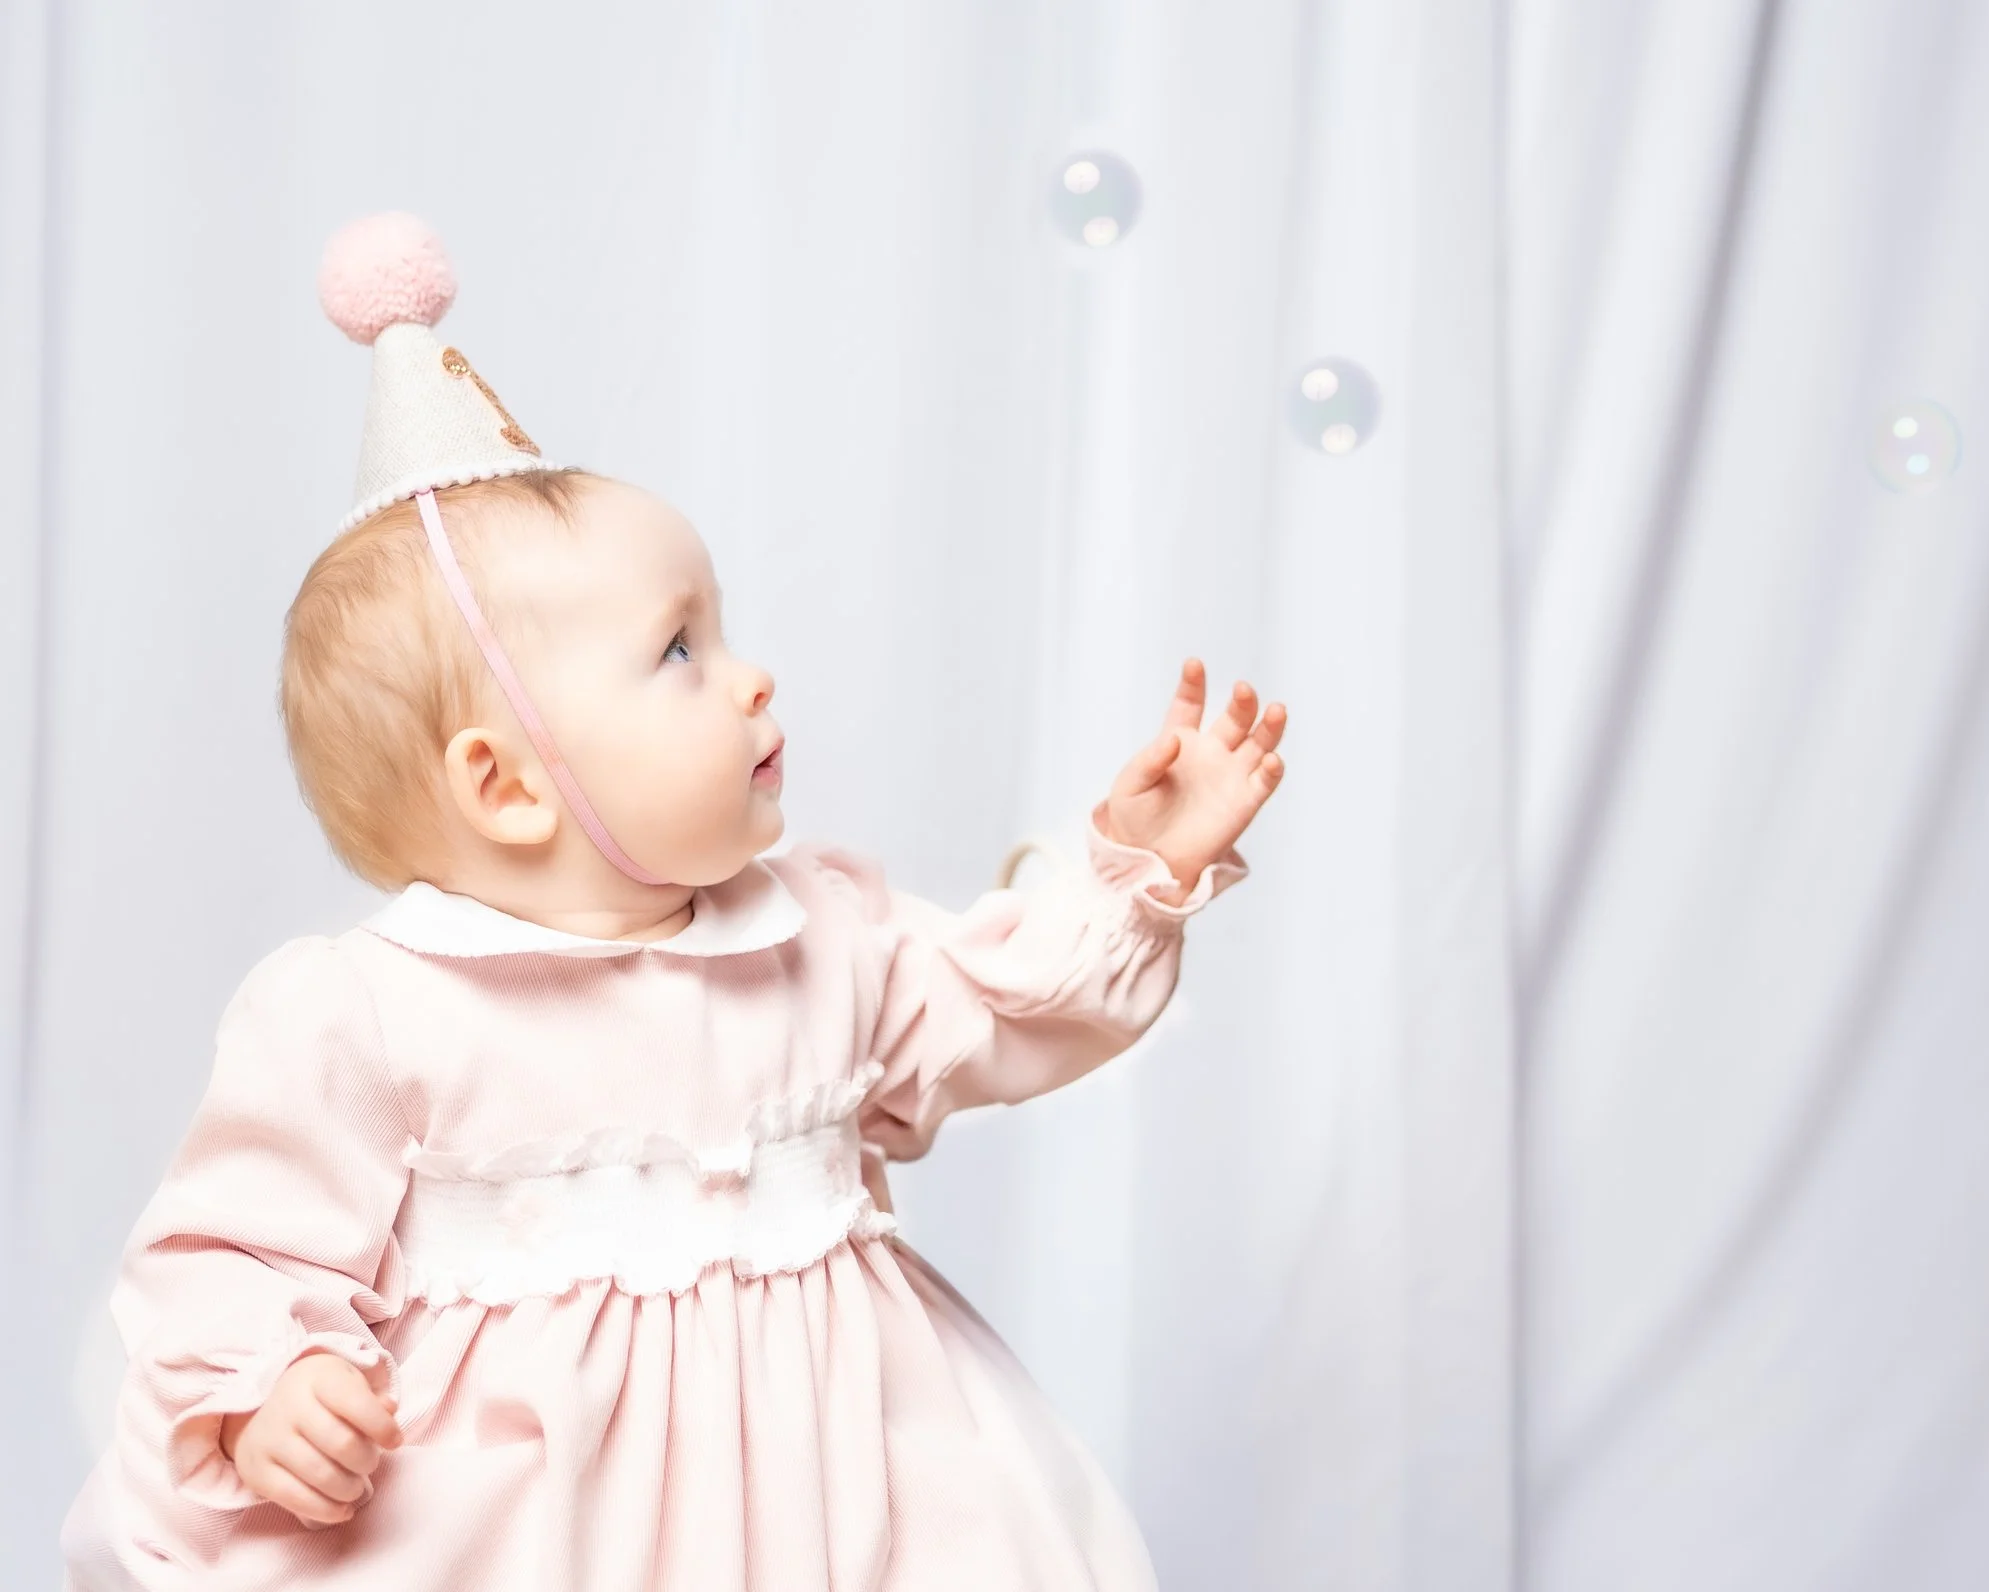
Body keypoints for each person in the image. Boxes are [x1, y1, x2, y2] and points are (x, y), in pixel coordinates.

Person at [58, 212, 1287, 1591]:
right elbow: (226, 1242)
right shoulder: (370, 1013)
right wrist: (271, 1392)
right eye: (681, 651)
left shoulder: (817, 937)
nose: (752, 676)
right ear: (507, 786)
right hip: (532, 1534)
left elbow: (1004, 1009)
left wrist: (1139, 869)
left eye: (723, 628)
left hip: (850, 1503)